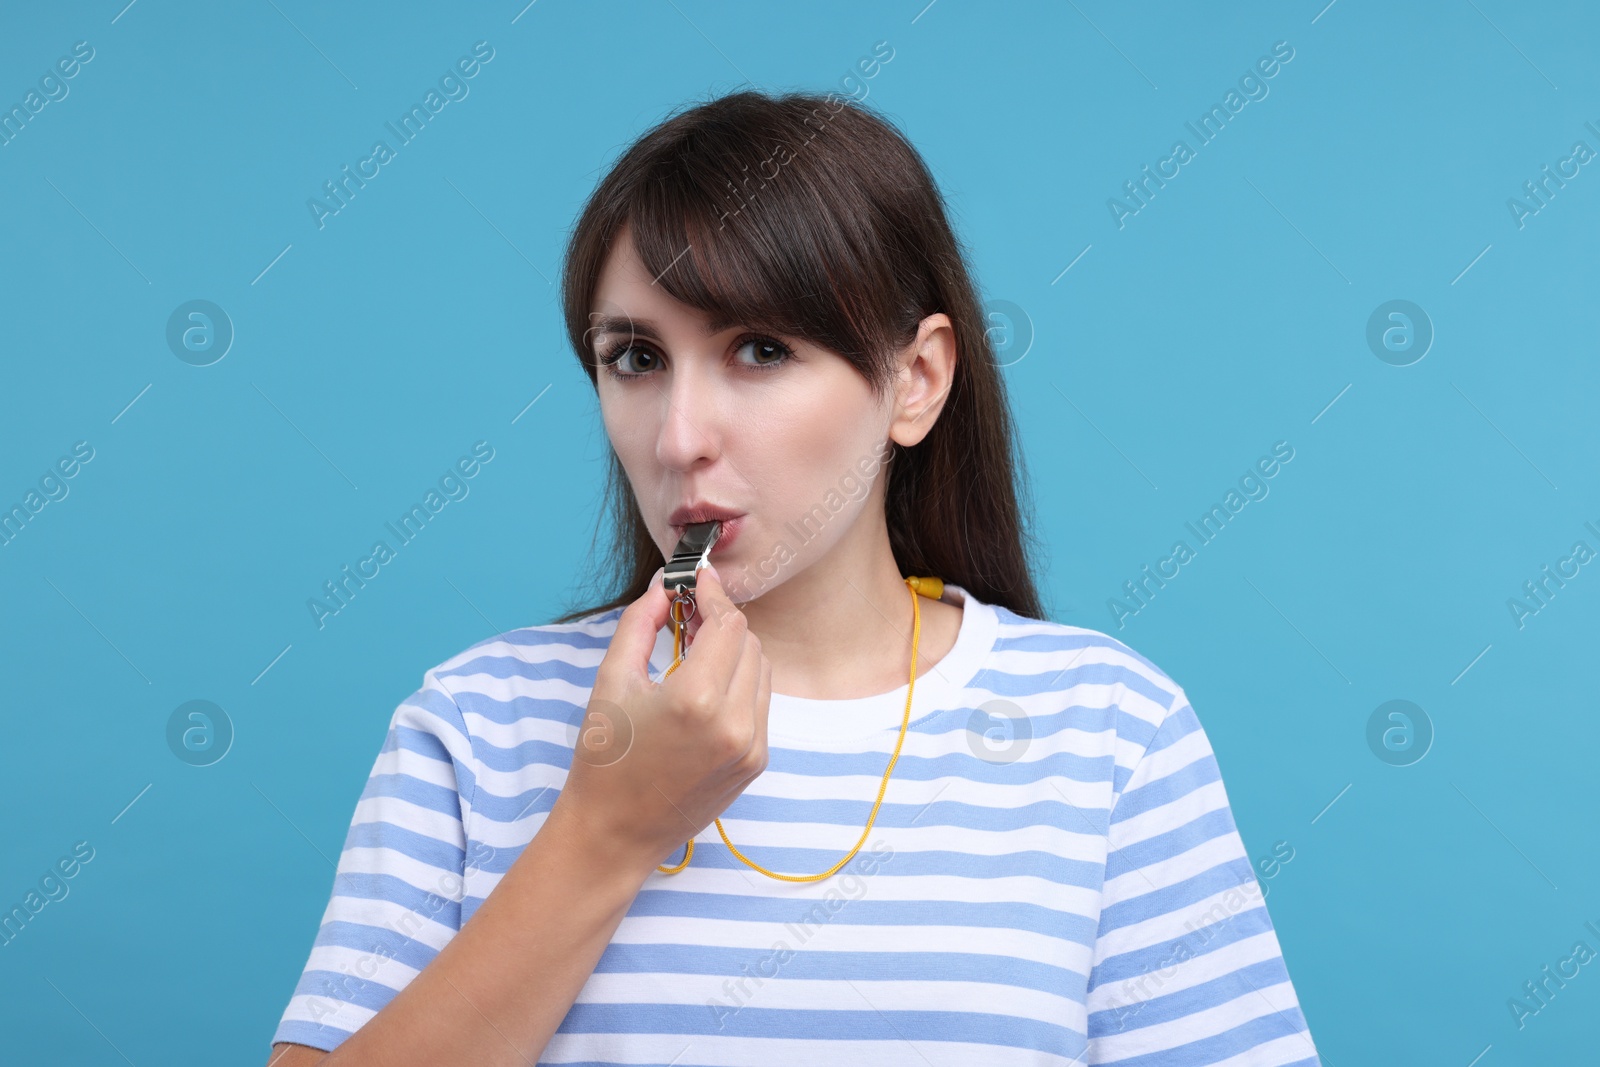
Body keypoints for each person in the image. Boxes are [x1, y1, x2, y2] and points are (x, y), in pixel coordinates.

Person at [267, 89, 1321, 1066]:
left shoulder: (1111, 732)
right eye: (635, 356)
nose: (680, 436)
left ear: (915, 380)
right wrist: (606, 830)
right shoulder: (475, 726)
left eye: (760, 349)